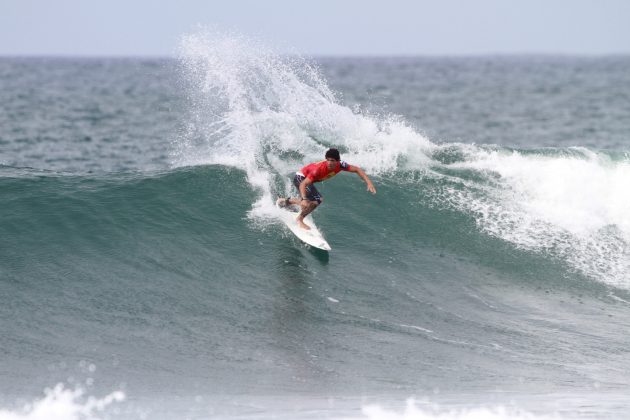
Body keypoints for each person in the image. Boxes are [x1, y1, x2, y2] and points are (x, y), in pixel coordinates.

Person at [277, 148, 376, 230]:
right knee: (317, 200)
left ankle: (288, 201)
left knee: (312, 201)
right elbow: (303, 184)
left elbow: (357, 169)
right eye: (327, 159)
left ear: (337, 161)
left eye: (332, 160)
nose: (329, 162)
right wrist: (304, 199)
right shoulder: (318, 170)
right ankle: (299, 219)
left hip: (308, 179)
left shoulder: (341, 165)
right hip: (301, 178)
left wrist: (369, 183)